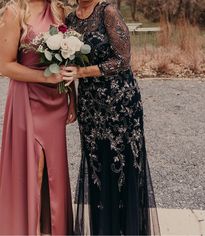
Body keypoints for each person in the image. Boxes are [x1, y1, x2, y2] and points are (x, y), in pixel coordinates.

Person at [63, 0, 160, 234]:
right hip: (91, 108)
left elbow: (122, 59)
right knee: (98, 169)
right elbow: (67, 66)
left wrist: (83, 72)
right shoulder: (70, 20)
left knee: (124, 167)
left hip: (121, 105)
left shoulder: (108, 11)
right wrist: (72, 102)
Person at [0, 0, 75, 234]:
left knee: (54, 170)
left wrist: (72, 98)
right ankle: (24, 228)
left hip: (55, 102)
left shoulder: (59, 9)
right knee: (35, 168)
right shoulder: (15, 12)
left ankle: (52, 229)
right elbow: (5, 66)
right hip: (27, 99)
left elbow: (67, 60)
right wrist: (44, 77)